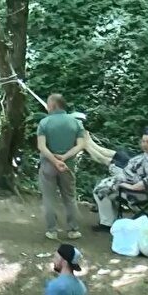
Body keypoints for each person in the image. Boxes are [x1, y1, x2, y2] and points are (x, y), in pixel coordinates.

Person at [91, 129, 148, 231]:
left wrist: (128, 186)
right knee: (104, 186)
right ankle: (110, 221)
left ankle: (107, 223)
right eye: (143, 141)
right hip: (136, 186)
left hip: (140, 193)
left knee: (100, 191)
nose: (144, 144)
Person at [37, 94, 86, 241]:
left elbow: (41, 146)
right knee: (70, 197)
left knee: (49, 198)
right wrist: (64, 158)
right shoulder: (76, 123)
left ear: (53, 105)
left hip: (48, 165)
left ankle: (52, 231)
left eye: (48, 104)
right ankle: (73, 230)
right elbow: (81, 145)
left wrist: (54, 160)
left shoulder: (44, 123)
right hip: (68, 165)